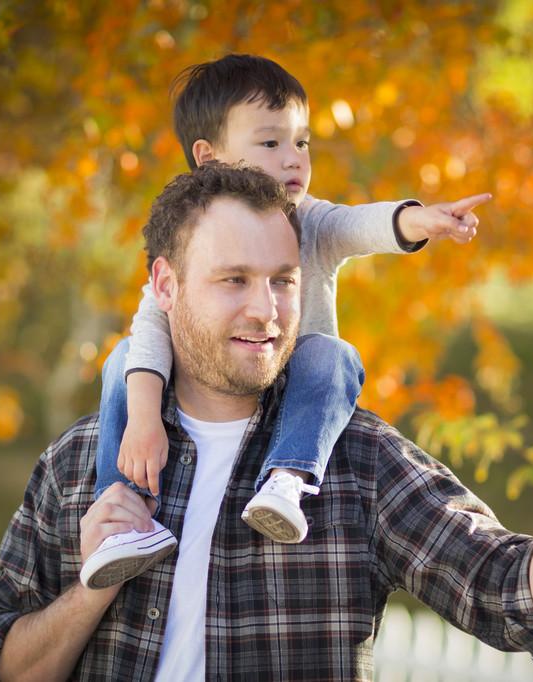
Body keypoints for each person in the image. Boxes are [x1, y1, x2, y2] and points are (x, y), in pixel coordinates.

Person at [0, 163, 533, 681]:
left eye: (283, 281)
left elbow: (523, 608)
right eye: (233, 280)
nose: (266, 310)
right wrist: (94, 584)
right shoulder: (82, 459)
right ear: (165, 286)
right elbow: (2, 665)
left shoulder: (357, 460)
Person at [81, 54, 493, 589]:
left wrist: (420, 219)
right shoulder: (191, 232)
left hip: (294, 383)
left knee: (333, 354)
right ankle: (123, 506)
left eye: (302, 143)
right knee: (123, 359)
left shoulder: (312, 219)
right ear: (208, 157)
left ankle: (288, 479)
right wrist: (143, 420)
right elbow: (151, 327)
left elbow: (361, 223)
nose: (294, 158)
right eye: (271, 143)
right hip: (213, 377)